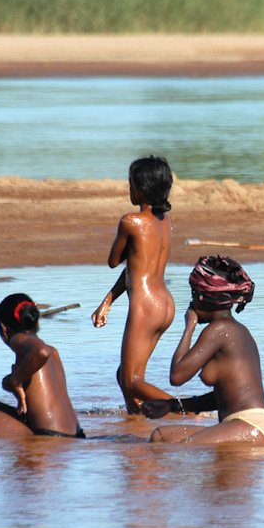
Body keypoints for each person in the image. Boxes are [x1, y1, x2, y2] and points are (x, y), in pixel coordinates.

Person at [142, 256, 264, 445]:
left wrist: (189, 327)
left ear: (205, 297)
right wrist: (172, 405)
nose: (191, 302)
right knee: (160, 436)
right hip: (246, 425)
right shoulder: (236, 331)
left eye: (194, 294)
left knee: (186, 447)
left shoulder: (218, 330)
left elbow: (177, 376)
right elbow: (223, 397)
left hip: (252, 426)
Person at [92, 155, 176, 414]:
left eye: (131, 185)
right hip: (165, 305)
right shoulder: (166, 222)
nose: (129, 190)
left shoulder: (131, 221)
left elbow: (114, 261)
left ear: (142, 188)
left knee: (132, 380)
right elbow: (138, 268)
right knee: (124, 376)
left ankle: (187, 410)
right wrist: (108, 300)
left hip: (145, 307)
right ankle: (137, 419)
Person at [0, 294, 85, 438]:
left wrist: (16, 381)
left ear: (4, 328)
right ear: (36, 323)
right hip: (76, 435)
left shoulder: (17, 339)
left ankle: (25, 453)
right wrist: (12, 381)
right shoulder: (53, 351)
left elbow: (42, 352)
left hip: (51, 438)